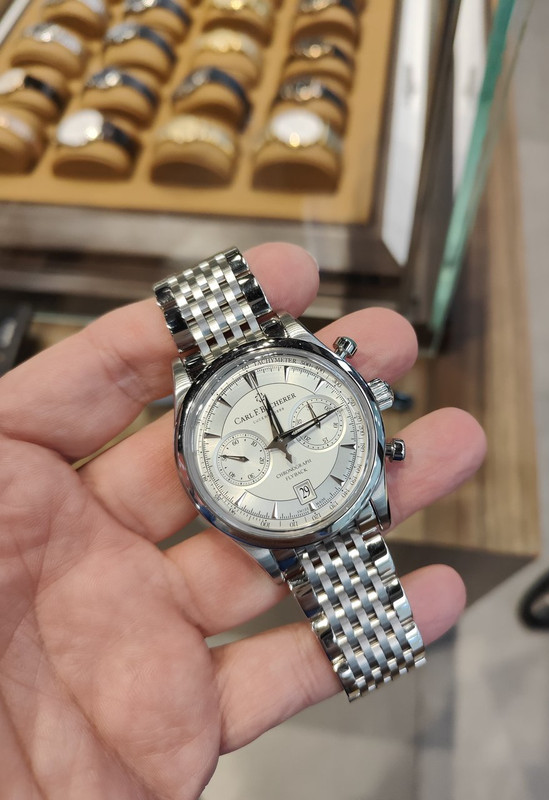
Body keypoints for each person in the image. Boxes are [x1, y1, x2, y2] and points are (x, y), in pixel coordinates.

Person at [0, 243, 486, 799]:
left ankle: (377, 645)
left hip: (339, 497)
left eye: (287, 433)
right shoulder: (205, 458)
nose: (279, 443)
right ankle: (375, 647)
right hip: (282, 524)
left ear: (367, 399)